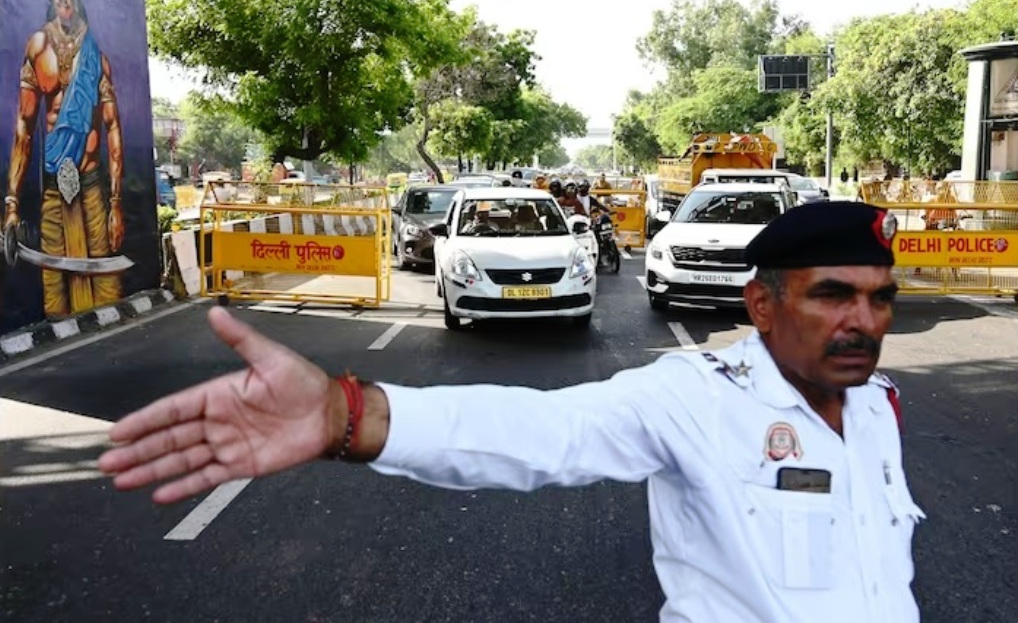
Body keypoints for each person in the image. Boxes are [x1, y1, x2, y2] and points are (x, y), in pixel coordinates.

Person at [98, 202, 924, 623]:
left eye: (880, 299)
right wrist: (350, 414)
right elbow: (542, 434)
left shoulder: (877, 405)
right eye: (833, 295)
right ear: (764, 304)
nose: (864, 320)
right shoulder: (698, 394)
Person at [4, 0, 126, 319]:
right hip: (54, 190)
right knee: (54, 295)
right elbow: (24, 129)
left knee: (107, 292)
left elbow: (112, 131)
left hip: (91, 190)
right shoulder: (38, 48)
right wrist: (11, 204)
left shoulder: (96, 57)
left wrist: (116, 205)